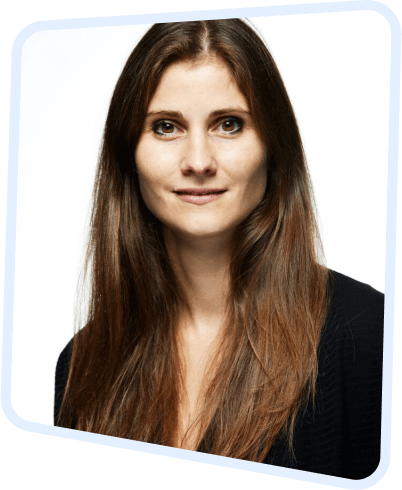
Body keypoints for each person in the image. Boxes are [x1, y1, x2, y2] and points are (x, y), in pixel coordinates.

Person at [54, 19, 384, 479]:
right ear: (127, 153)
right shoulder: (84, 364)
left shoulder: (368, 335)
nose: (198, 162)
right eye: (166, 127)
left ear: (273, 145)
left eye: (229, 124)